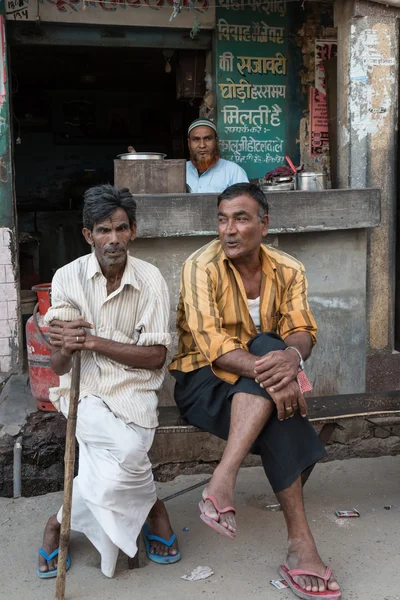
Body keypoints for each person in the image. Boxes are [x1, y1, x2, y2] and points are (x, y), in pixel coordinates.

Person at [169, 182, 341, 599]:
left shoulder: (288, 269)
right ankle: (302, 545)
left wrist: (293, 360)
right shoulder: (200, 266)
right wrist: (278, 371)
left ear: (264, 225)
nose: (228, 230)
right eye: (222, 219)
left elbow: (301, 330)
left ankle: (222, 481)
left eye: (241, 219)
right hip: (202, 383)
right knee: (273, 364)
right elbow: (214, 348)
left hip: (260, 388)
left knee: (273, 354)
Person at [37, 184, 180, 580]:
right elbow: (61, 366)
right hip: (83, 391)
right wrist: (64, 345)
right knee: (129, 455)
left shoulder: (150, 280)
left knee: (119, 462)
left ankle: (58, 522)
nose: (113, 239)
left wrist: (93, 340)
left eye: (120, 229)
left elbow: (155, 356)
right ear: (88, 235)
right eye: (103, 230)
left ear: (132, 230)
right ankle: (153, 507)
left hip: (135, 390)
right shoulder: (67, 277)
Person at [186, 118, 249, 193]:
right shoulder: (180, 171)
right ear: (189, 143)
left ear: (216, 141)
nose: (202, 145)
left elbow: (244, 202)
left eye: (208, 138)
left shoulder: (233, 172)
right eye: (196, 139)